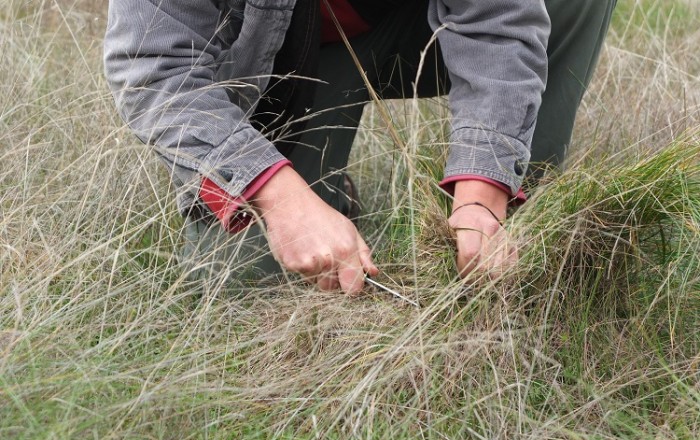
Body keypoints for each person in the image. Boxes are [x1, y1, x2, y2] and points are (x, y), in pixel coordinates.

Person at [104, 0, 616, 293]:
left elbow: (499, 19)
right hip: (282, 67)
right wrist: (281, 199)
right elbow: (151, 68)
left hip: (416, 26)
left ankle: (517, 231)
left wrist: (483, 192)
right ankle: (320, 188)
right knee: (239, 292)